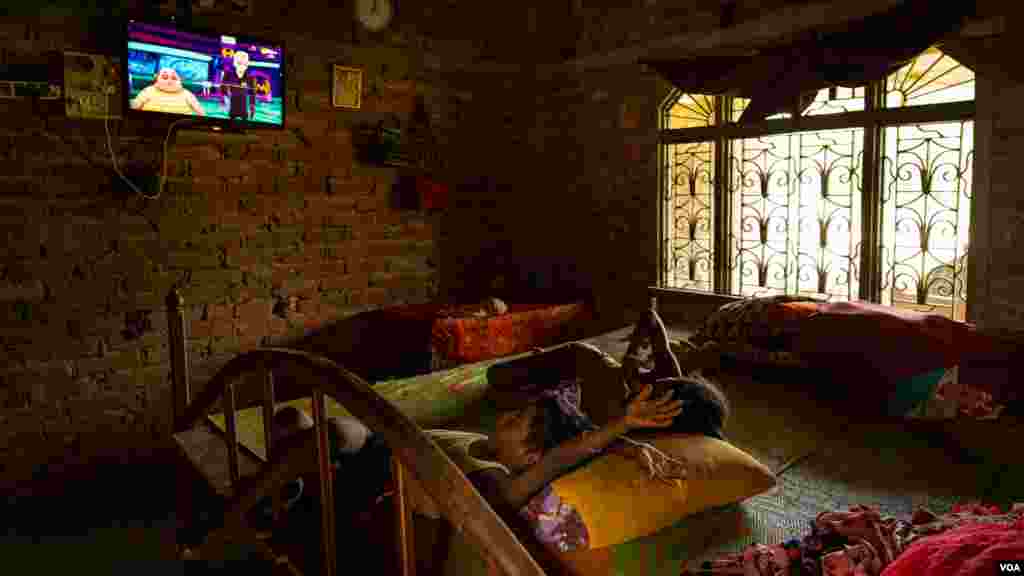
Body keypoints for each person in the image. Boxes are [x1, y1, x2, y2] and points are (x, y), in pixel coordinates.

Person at [220, 50, 257, 121]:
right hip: (232, 108)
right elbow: (222, 88)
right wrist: (223, 101)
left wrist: (252, 107)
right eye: (239, 63)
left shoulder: (251, 77)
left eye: (245, 64)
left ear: (247, 64)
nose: (242, 66)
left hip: (244, 109)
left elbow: (253, 93)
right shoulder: (228, 74)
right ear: (234, 63)